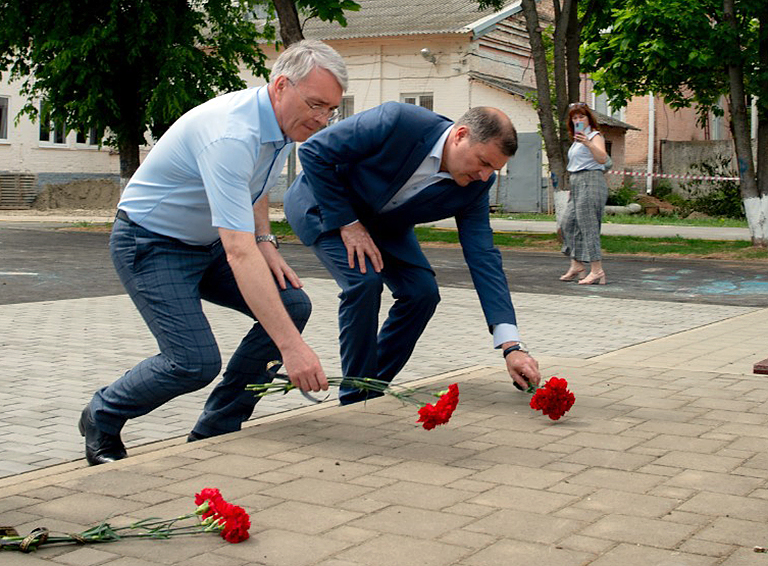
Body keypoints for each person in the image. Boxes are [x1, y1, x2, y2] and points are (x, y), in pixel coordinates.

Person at [79, 39, 347, 466]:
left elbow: (252, 187)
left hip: (206, 242)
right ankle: (102, 416)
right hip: (150, 243)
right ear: (281, 87)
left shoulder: (277, 126)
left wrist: (265, 240)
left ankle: (216, 428)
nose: (322, 119)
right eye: (316, 104)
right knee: (193, 362)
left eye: (331, 109)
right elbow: (237, 253)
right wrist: (292, 349)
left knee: (292, 303)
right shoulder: (231, 133)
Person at [284, 103, 541, 405]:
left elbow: (483, 256)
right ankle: (355, 398)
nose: (485, 176)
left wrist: (512, 346)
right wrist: (348, 223)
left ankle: (369, 386)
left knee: (422, 293)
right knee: (364, 282)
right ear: (460, 135)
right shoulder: (399, 121)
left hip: (385, 227)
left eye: (493, 170)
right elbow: (314, 152)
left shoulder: (476, 185)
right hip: (326, 206)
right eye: (483, 162)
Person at [559, 102, 611, 285]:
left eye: (582, 116)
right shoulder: (576, 140)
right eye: (575, 118)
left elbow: (603, 158)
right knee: (568, 223)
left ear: (589, 118)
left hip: (591, 180)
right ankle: (577, 264)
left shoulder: (594, 136)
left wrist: (588, 143)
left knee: (588, 226)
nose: (578, 120)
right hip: (577, 182)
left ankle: (597, 270)